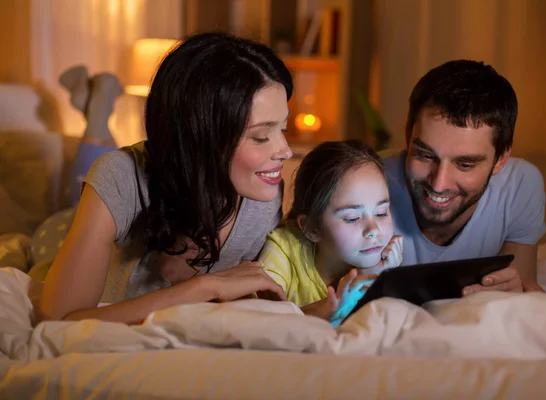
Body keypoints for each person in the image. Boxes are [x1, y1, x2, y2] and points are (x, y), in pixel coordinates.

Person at [37, 32, 294, 325]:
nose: (284, 151)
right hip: (60, 235)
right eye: (261, 136)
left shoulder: (263, 195)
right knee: (44, 241)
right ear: (201, 137)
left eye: (282, 129)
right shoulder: (122, 176)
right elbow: (59, 323)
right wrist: (205, 287)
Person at [383, 59, 546, 296]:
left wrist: (514, 292)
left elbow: (522, 289)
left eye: (465, 164)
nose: (439, 184)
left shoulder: (520, 185)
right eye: (426, 155)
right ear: (408, 135)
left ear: (500, 159)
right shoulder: (363, 182)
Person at [259, 140, 403, 326]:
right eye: (352, 218)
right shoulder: (283, 249)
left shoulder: (386, 260)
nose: (373, 230)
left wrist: (376, 278)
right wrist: (336, 303)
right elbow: (259, 324)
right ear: (312, 228)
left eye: (381, 213)